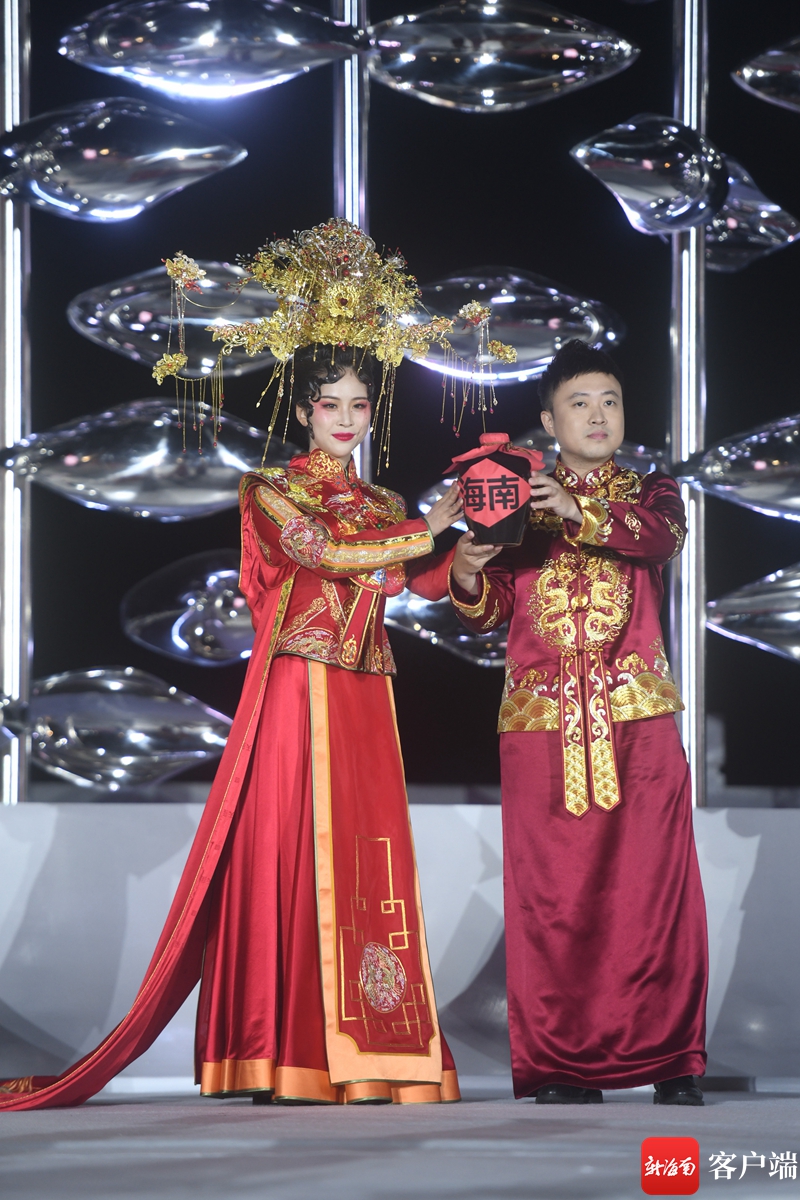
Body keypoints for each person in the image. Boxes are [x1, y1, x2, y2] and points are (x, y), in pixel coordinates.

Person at [0, 224, 465, 1109]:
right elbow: (325, 554)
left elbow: (406, 582)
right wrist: (430, 530)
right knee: (292, 850)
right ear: (304, 411)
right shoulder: (271, 492)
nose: (345, 419)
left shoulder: (385, 502)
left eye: (359, 404)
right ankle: (280, 1051)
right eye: (329, 404)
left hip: (365, 690)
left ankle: (376, 1049)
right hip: (297, 691)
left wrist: (470, 553)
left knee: (367, 861)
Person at [409, 339, 708, 1106]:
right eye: (580, 403)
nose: (598, 415)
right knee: (552, 899)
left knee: (655, 891)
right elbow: (490, 611)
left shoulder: (653, 492)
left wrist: (580, 510)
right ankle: (562, 1064)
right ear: (549, 421)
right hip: (541, 726)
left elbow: (663, 539)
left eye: (610, 401)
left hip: (637, 723)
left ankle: (671, 1058)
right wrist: (467, 573)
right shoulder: (513, 494)